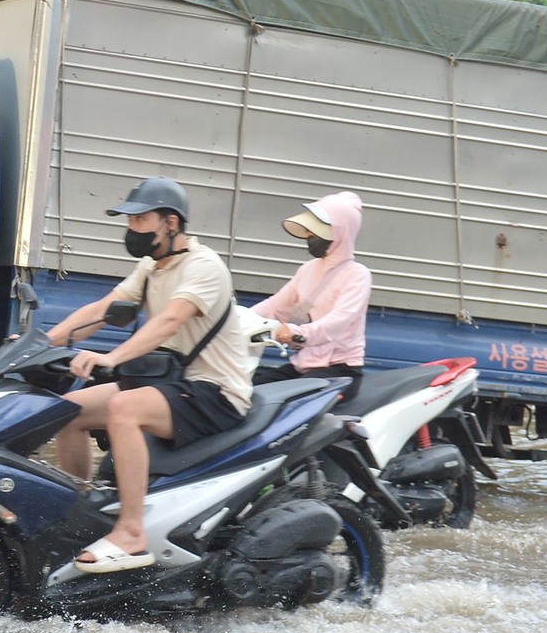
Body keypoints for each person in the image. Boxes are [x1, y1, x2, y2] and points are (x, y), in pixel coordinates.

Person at [44, 177, 258, 573]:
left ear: (171, 223)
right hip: (173, 384)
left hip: (216, 391)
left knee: (124, 408)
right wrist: (42, 342)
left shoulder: (204, 267)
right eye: (130, 220)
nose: (132, 228)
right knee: (65, 410)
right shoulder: (152, 266)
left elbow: (172, 320)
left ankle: (131, 534)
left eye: (141, 219)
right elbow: (104, 307)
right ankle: (78, 511)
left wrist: (113, 357)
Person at [250, 192, 371, 391]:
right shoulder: (308, 269)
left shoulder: (357, 275)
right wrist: (237, 319)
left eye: (316, 230)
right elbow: (275, 307)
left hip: (340, 371)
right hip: (304, 368)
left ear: (340, 231)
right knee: (249, 393)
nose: (308, 235)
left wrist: (297, 332)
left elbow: (338, 321)